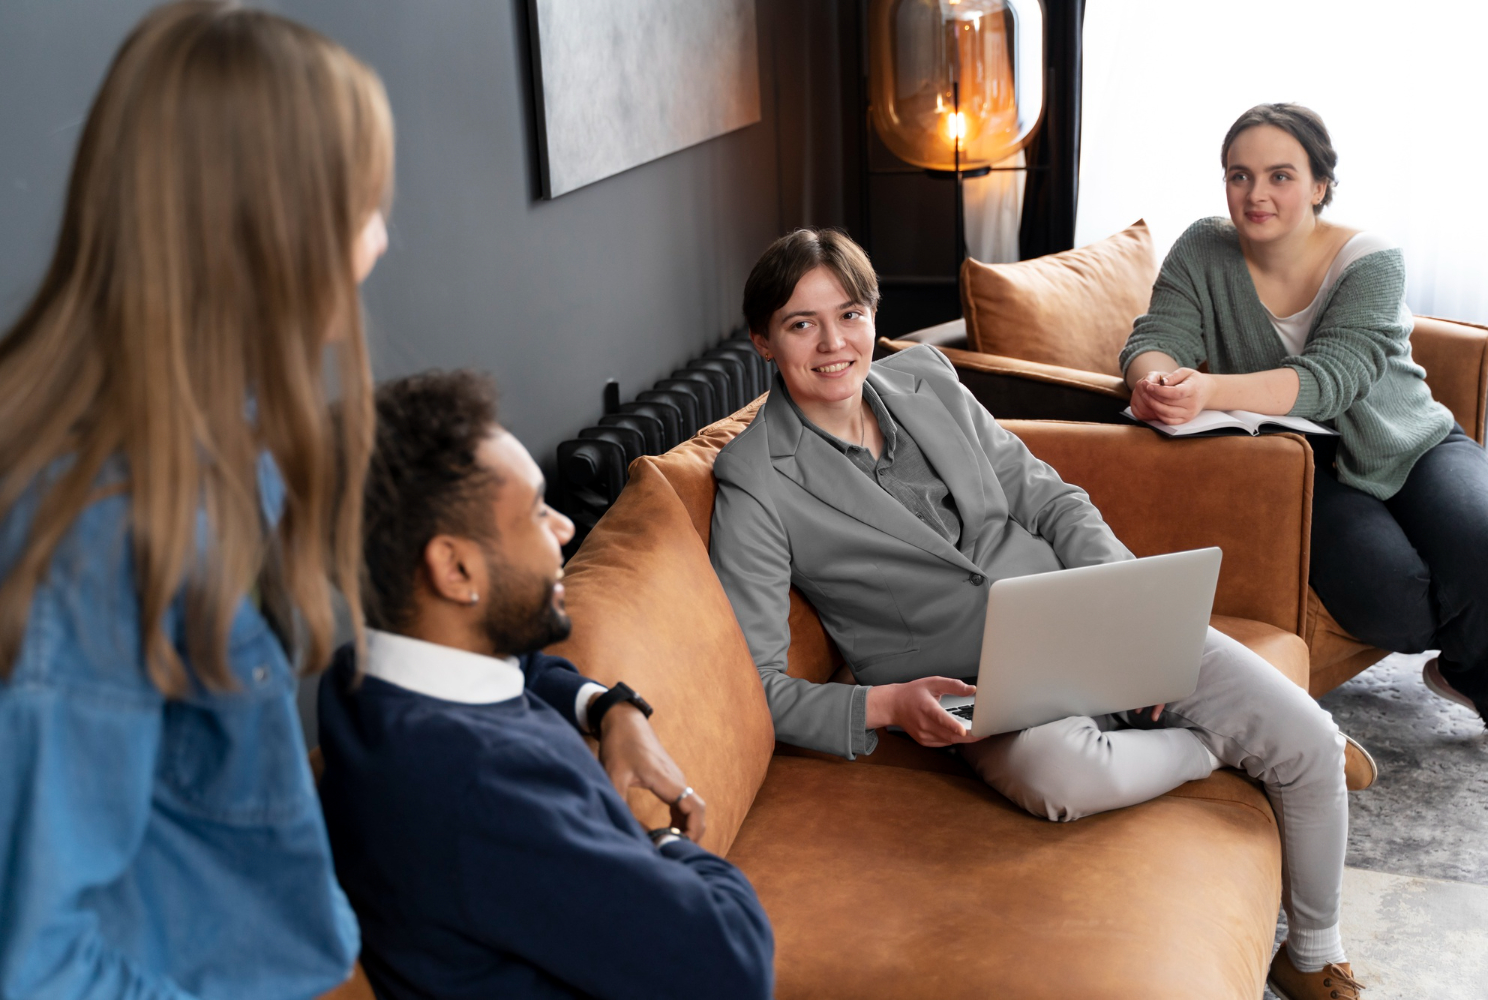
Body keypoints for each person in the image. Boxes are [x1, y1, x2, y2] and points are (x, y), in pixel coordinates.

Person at [709, 228, 1372, 1000]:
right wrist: (887, 707)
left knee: (1310, 742)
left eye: (849, 315)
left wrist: (1123, 602)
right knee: (1061, 779)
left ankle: (1312, 954)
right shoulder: (754, 481)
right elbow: (761, 687)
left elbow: (1050, 499)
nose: (834, 344)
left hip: (1087, 616)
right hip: (978, 688)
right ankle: (1224, 744)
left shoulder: (927, 377)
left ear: (874, 316)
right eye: (802, 324)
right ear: (763, 341)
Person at [0, 3, 393, 997]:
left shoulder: (228, 445)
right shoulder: (93, 534)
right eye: (361, 207)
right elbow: (32, 966)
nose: (379, 242)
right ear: (272, 228)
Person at [316, 370, 774, 1000]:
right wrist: (664, 846)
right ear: (455, 568)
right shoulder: (487, 791)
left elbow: (521, 668)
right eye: (535, 511)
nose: (562, 527)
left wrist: (610, 709)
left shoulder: (362, 678)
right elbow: (734, 967)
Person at [1120, 102, 1488, 730]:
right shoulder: (1204, 246)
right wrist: (1152, 382)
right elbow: (1156, 336)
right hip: (1297, 462)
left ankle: (1468, 673)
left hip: (1409, 441)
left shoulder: (1372, 259)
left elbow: (1331, 380)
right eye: (1239, 175)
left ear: (1320, 185)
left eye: (1280, 176)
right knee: (1394, 604)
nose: (1256, 194)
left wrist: (1209, 389)